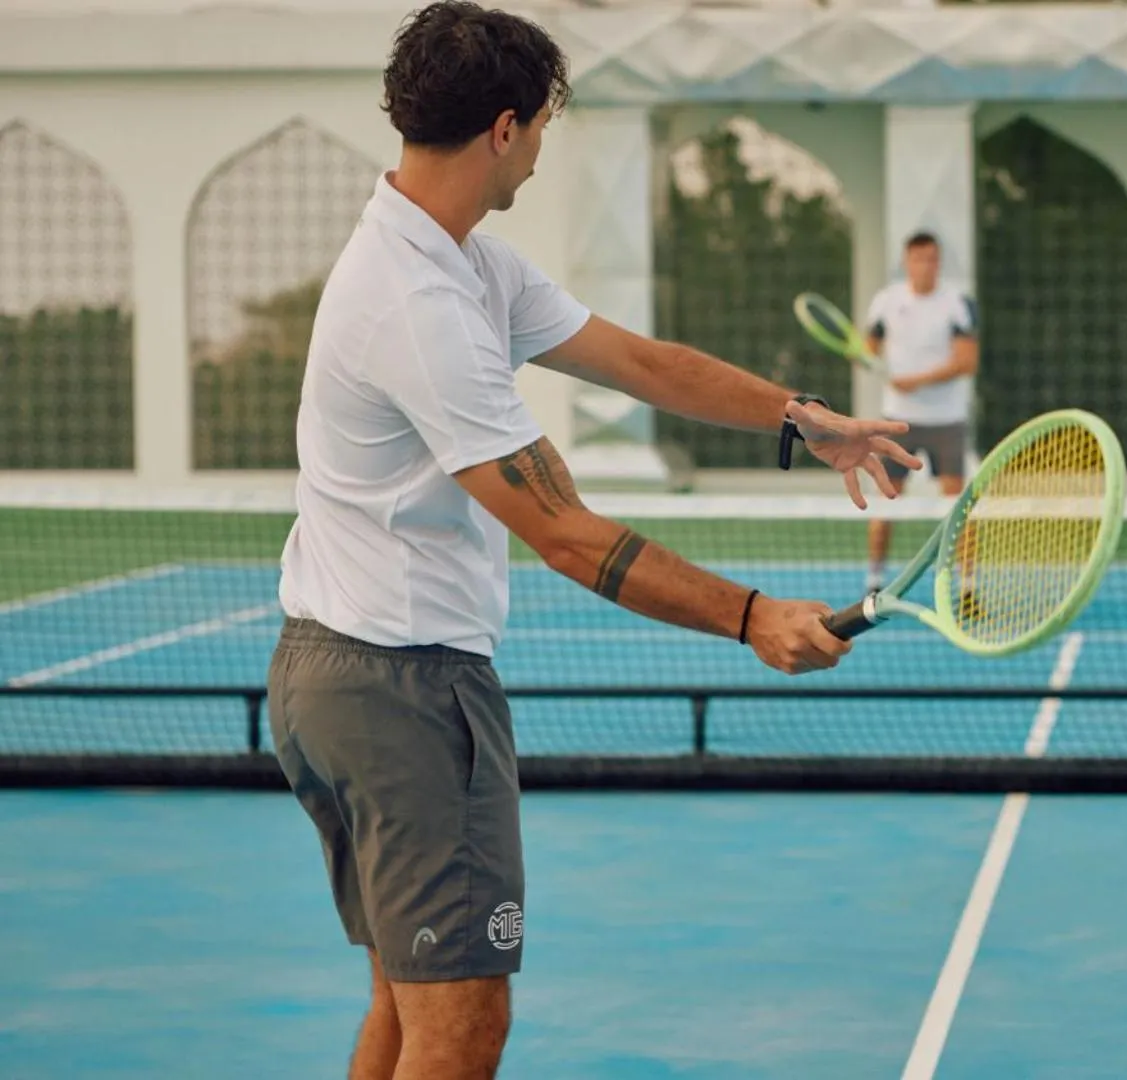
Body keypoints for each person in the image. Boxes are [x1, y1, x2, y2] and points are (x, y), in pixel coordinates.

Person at [264, 4, 919, 1078]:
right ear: (508, 128)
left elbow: (644, 363)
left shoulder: (462, 261)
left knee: (404, 996)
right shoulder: (416, 305)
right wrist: (751, 617)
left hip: (334, 670)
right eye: (546, 126)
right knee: (463, 1023)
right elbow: (565, 533)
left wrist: (805, 418)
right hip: (404, 688)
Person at [861, 231, 979, 593]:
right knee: (888, 502)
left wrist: (916, 380)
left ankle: (969, 586)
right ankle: (875, 580)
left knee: (958, 505)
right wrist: (869, 360)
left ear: (938, 263)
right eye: (919, 259)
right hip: (897, 421)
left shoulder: (957, 303)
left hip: (947, 421)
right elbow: (867, 350)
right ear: (907, 262)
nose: (926, 266)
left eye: (932, 259)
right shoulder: (885, 302)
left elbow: (967, 362)